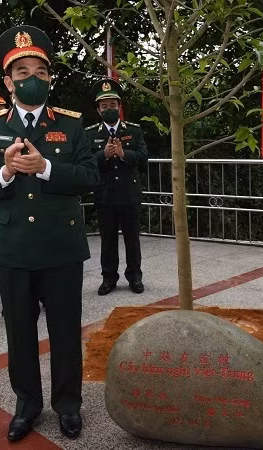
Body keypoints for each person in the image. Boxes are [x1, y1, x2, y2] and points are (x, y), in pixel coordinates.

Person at [0, 25, 98, 441]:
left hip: (60, 245)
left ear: (50, 77)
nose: (32, 78)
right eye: (22, 71)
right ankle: (27, 405)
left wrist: (45, 168)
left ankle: (68, 405)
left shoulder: (72, 126)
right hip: (11, 247)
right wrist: (5, 171)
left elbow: (90, 177)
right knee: (19, 333)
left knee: (64, 330)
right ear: (7, 81)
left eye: (40, 72)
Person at [85, 78, 148, 296]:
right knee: (108, 240)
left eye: (113, 105)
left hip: (129, 194)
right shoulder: (91, 133)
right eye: (104, 106)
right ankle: (109, 278)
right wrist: (103, 155)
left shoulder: (134, 130)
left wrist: (123, 154)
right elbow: (85, 161)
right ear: (98, 109)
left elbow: (143, 156)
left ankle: (135, 277)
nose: (109, 109)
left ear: (119, 106)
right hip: (105, 195)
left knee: (132, 239)